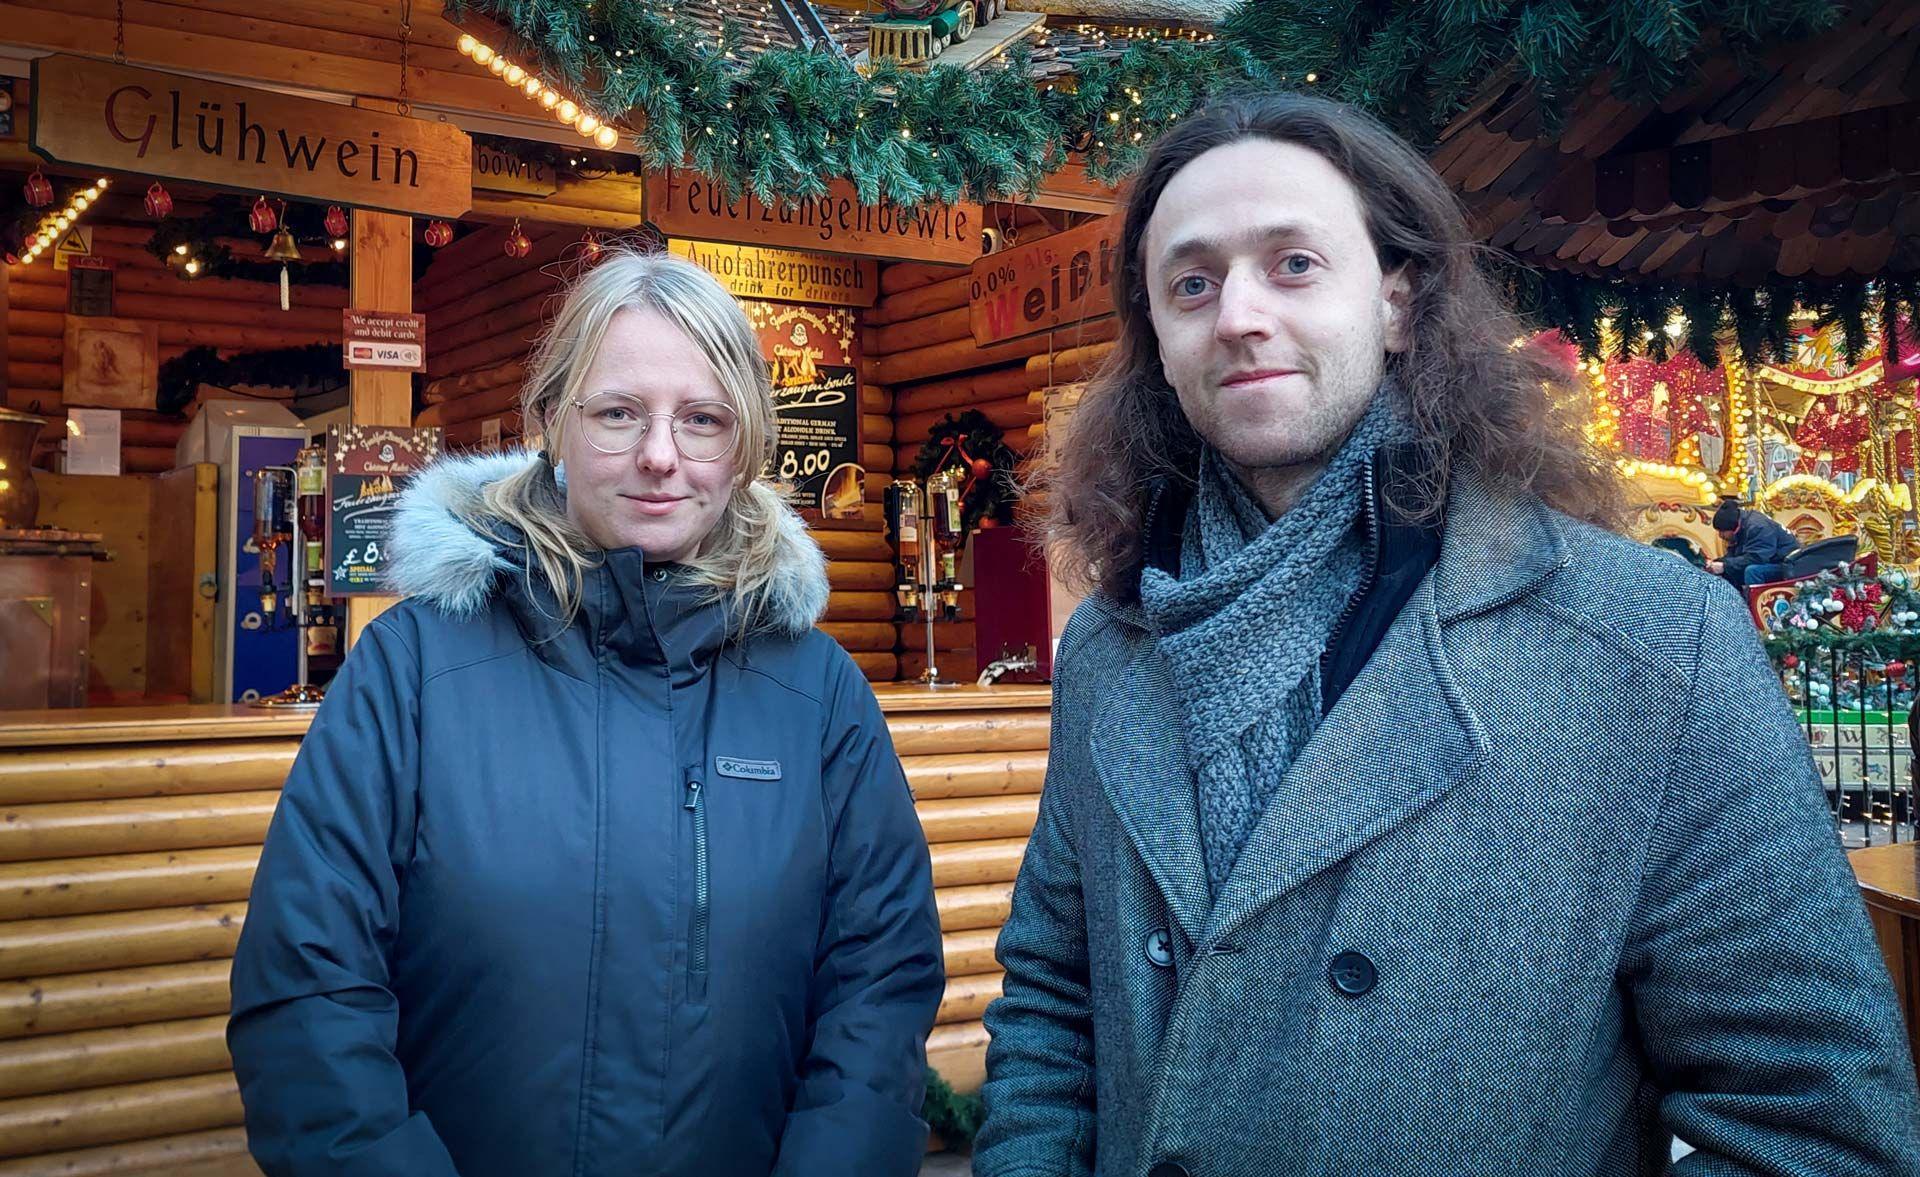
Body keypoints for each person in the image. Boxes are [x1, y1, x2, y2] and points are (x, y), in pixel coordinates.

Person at [973, 92, 1919, 1177]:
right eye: (1192, 282)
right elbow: (1055, 994)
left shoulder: (1652, 646)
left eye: (1292, 265)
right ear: (1161, 343)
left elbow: (1812, 1127)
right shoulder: (1110, 646)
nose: (1236, 313)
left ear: (1399, 301)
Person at [228, 249, 943, 1177]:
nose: (659, 454)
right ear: (551, 425)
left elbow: (878, 993)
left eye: (702, 419)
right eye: (617, 413)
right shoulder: (413, 669)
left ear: (745, 446)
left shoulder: (817, 695)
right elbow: (307, 991)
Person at [1708, 497, 1797, 589]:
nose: (1720, 536)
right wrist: (1717, 562)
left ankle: (1754, 602)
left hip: (1787, 564)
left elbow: (1757, 558)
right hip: (1773, 560)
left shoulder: (1757, 527)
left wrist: (1725, 565)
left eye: (1722, 531)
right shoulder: (1742, 525)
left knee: (1752, 571)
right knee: (1731, 569)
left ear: (1733, 528)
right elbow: (1736, 556)